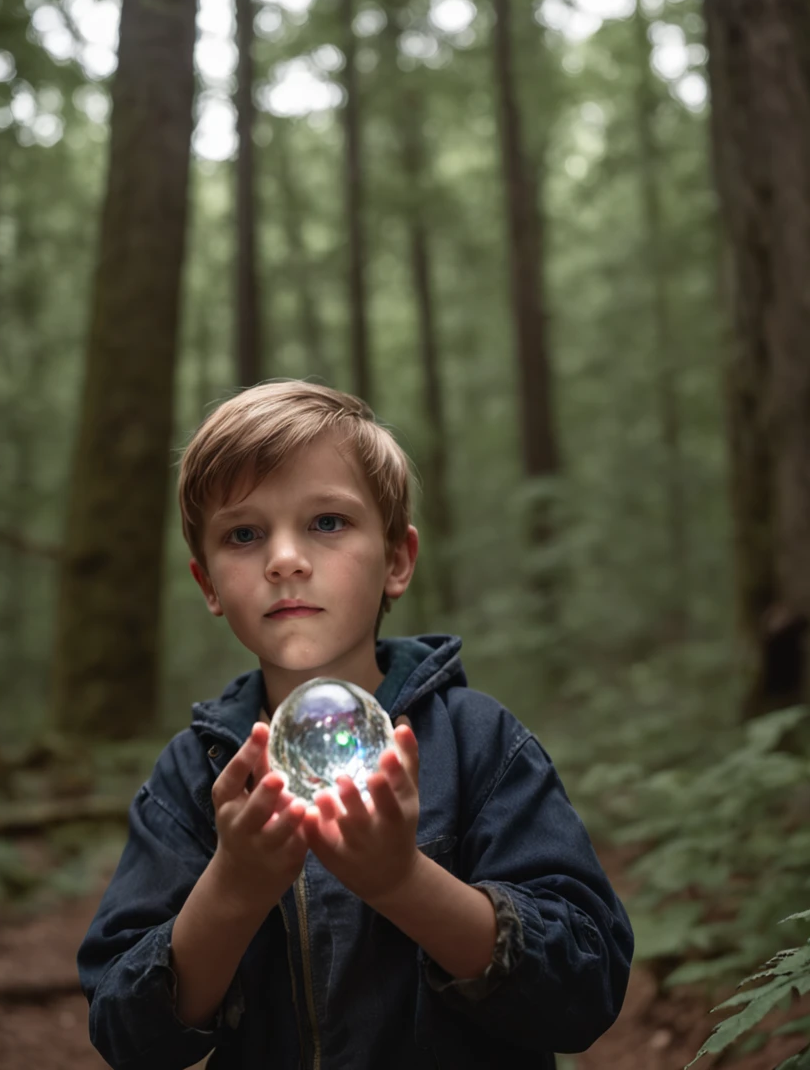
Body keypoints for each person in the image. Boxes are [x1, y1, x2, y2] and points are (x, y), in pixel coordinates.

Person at [78, 380, 633, 1070]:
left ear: (397, 559)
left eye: (328, 523)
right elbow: (127, 1035)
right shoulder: (195, 777)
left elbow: (585, 987)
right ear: (210, 585)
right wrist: (233, 886)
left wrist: (403, 882)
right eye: (244, 535)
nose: (284, 559)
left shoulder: (481, 745)